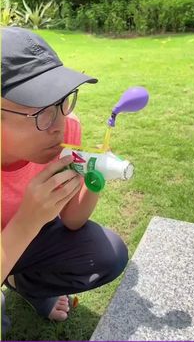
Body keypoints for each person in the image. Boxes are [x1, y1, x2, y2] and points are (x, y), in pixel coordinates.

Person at [1, 27, 128, 336]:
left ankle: (24, 283)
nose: (60, 124)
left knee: (107, 254)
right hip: (17, 236)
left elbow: (72, 220)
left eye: (62, 101)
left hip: (26, 243)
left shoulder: (66, 128)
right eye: (42, 110)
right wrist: (28, 219)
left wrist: (94, 179)